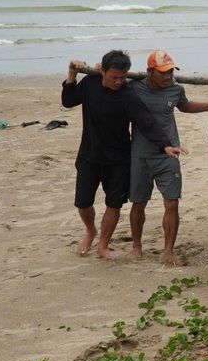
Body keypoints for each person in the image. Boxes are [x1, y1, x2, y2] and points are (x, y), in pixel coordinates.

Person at [61, 50, 187, 259]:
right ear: (102, 70)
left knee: (114, 204)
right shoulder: (90, 84)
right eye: (114, 77)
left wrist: (165, 145)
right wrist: (72, 73)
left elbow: (146, 121)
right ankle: (91, 230)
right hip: (89, 155)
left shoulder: (128, 94)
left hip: (119, 158)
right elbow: (68, 100)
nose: (119, 82)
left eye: (123, 77)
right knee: (83, 203)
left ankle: (103, 246)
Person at [128, 50, 208, 266]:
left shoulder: (175, 90)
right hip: (139, 156)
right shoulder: (133, 88)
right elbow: (111, 81)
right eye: (163, 73)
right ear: (149, 72)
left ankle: (168, 251)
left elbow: (185, 106)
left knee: (172, 203)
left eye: (171, 72)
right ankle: (136, 247)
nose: (168, 77)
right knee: (138, 203)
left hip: (170, 154)